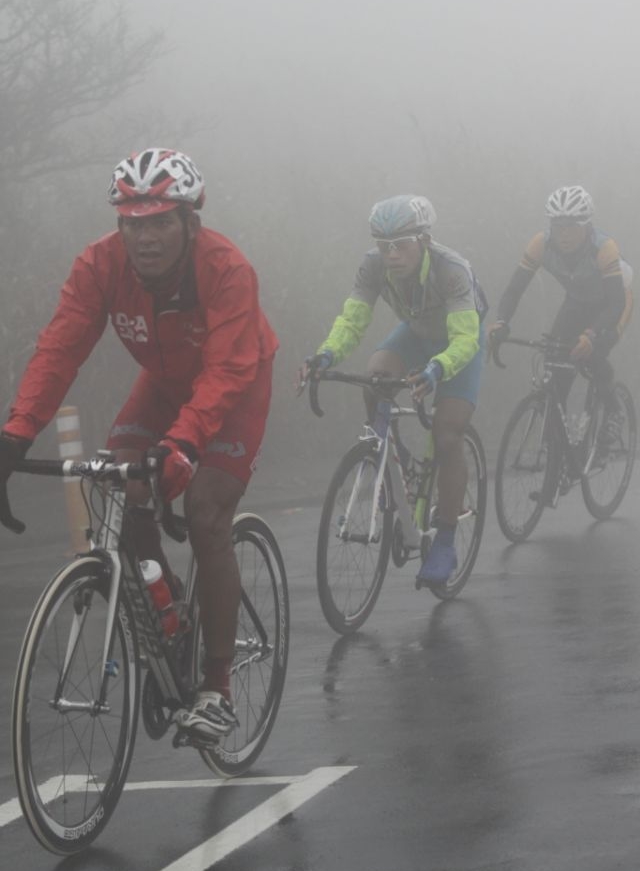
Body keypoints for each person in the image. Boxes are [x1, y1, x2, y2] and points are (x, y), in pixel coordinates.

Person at [0, 148, 278, 741]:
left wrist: (182, 444)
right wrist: (16, 435)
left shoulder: (226, 268)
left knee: (205, 514)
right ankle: (166, 606)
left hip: (236, 386)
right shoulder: (100, 265)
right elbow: (59, 350)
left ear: (189, 221)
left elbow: (227, 371)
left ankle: (217, 688)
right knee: (118, 485)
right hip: (164, 382)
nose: (145, 237)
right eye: (133, 223)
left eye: (159, 222)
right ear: (119, 225)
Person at [302, 194, 487, 586]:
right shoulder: (373, 266)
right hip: (417, 334)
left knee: (447, 433)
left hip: (459, 343)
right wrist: (326, 355)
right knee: (375, 377)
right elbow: (353, 319)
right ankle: (394, 456)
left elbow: (466, 339)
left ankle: (446, 538)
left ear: (423, 239)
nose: (390, 254)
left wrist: (439, 368)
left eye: (400, 245)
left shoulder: (451, 269)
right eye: (383, 245)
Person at [488, 185, 632, 444]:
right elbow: (514, 289)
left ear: (587, 226)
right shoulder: (540, 244)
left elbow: (616, 303)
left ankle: (613, 409)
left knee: (592, 352)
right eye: (558, 226)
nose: (564, 235)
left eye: (572, 226)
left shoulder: (603, 248)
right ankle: (561, 448)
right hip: (577, 301)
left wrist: (591, 334)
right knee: (555, 360)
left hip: (615, 302)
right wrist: (502, 321)